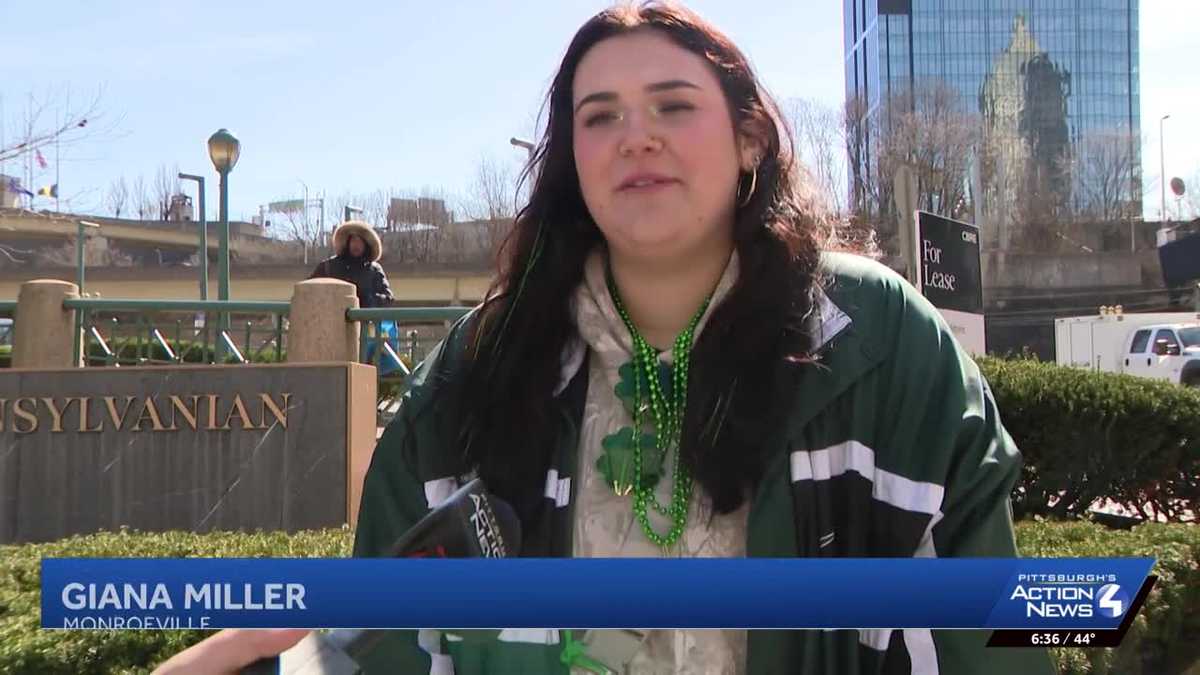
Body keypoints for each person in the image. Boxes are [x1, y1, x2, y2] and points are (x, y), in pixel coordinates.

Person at [154, 3, 1056, 674]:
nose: (636, 139)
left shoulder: (878, 344)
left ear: (749, 139)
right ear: (571, 160)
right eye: (600, 117)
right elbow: (383, 642)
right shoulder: (480, 370)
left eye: (672, 106)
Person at [309, 220, 394, 309]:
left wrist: (368, 299)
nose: (356, 245)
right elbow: (309, 290)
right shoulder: (328, 266)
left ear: (366, 244)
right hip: (332, 318)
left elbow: (388, 299)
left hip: (364, 319)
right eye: (353, 240)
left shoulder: (374, 269)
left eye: (360, 241)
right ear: (347, 242)